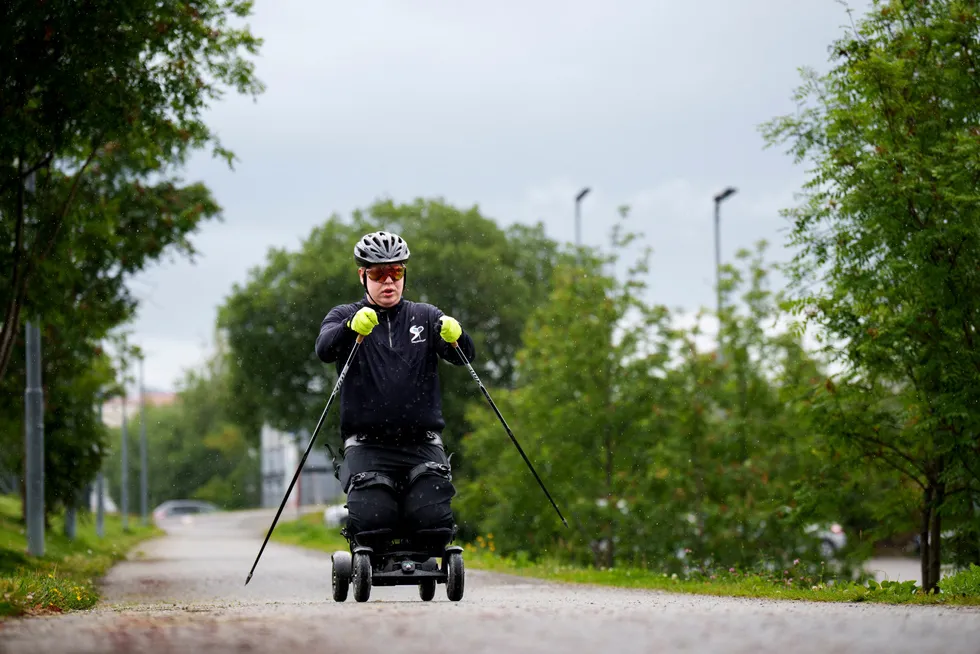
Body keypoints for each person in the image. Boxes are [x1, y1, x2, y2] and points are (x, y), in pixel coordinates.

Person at [314, 230, 477, 552]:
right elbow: (324, 349)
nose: (388, 281)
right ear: (363, 276)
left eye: (397, 272)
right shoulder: (344, 316)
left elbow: (464, 358)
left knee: (434, 524)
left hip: (422, 442)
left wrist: (459, 336)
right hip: (367, 445)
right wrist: (349, 329)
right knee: (374, 524)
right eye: (378, 273)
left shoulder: (426, 316)